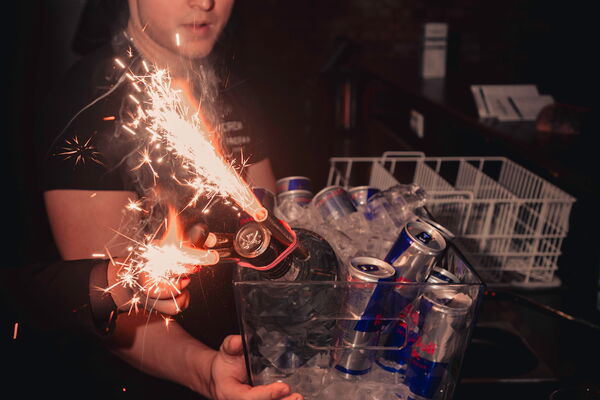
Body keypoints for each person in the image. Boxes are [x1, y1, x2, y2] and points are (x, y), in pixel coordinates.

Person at [5, 1, 301, 399]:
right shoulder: (87, 105)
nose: (205, 3)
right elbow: (109, 296)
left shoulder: (235, 89)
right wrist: (205, 372)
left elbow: (275, 216)